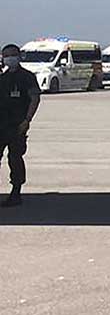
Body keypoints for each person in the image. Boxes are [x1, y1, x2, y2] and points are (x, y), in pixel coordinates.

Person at [0, 44, 41, 207]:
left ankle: (16, 192)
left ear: (18, 56)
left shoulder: (27, 77)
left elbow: (35, 99)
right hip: (1, 124)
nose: (9, 58)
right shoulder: (3, 78)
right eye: (6, 56)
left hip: (17, 125)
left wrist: (27, 120)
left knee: (15, 158)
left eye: (12, 55)